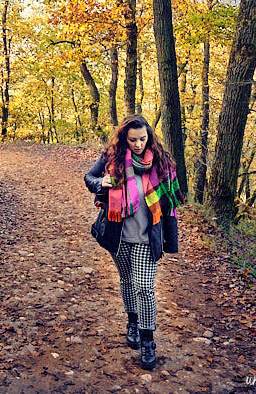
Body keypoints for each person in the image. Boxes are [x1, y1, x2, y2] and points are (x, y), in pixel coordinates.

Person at [84, 114, 183, 370]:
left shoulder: (162, 163)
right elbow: (89, 178)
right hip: (119, 236)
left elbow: (171, 204)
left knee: (145, 288)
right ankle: (132, 323)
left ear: (149, 136)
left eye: (142, 139)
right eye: (132, 140)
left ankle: (148, 339)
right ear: (124, 139)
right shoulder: (112, 157)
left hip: (146, 239)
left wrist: (170, 241)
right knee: (127, 281)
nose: (138, 144)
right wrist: (101, 182)